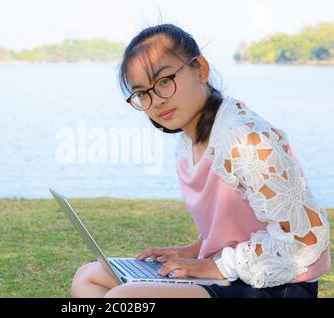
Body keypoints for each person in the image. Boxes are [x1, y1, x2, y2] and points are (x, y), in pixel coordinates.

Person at [70, 23, 331, 298]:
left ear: (201, 70)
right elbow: (239, 224)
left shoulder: (246, 140)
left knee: (123, 297)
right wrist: (193, 252)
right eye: (142, 93)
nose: (156, 101)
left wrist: (216, 266)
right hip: (230, 276)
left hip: (278, 286)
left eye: (164, 81)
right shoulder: (188, 143)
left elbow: (307, 238)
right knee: (89, 277)